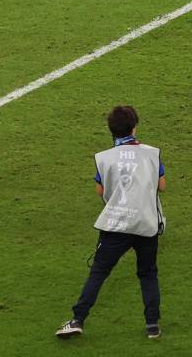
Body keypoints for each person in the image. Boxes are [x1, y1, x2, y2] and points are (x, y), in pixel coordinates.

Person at [56, 106, 166, 340]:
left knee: (99, 272)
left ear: (111, 130)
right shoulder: (151, 154)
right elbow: (162, 185)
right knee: (148, 273)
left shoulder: (105, 157)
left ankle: (77, 319)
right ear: (134, 127)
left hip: (116, 223)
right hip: (146, 222)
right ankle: (152, 325)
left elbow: (100, 190)